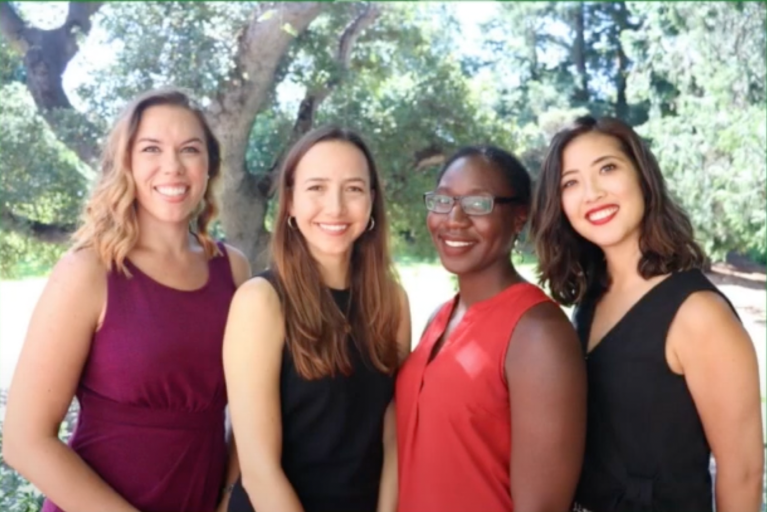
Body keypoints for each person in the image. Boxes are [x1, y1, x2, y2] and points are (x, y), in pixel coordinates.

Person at [2, 88, 251, 512]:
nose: (172, 166)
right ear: (126, 164)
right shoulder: (88, 271)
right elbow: (24, 441)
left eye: (189, 149)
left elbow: (250, 413)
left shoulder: (235, 270)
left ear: (209, 165)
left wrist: (227, 498)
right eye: (151, 148)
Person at [531, 115, 764, 512]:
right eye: (570, 182)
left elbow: (742, 471)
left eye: (607, 168)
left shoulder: (698, 314)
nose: (592, 193)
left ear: (642, 176)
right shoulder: (590, 298)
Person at [222, 126, 411, 512]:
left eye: (354, 189)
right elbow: (259, 470)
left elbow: (393, 434)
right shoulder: (260, 301)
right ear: (289, 201)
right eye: (316, 188)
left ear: (372, 201)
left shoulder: (392, 301)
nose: (336, 207)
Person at [396, 145, 587, 512]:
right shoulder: (439, 318)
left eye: (478, 204)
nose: (454, 218)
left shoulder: (537, 333)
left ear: (518, 217)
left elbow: (542, 506)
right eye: (443, 200)